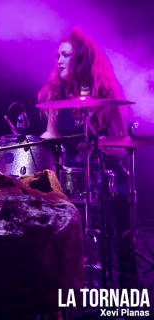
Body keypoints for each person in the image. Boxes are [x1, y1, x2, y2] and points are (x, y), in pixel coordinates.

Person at [38, 27, 135, 288]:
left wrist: (101, 145)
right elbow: (50, 136)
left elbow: (123, 147)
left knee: (121, 241)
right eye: (57, 55)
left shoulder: (108, 94)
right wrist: (39, 142)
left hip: (107, 180)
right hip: (71, 181)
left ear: (81, 58)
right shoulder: (54, 96)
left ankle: (125, 291)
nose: (58, 61)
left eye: (65, 55)